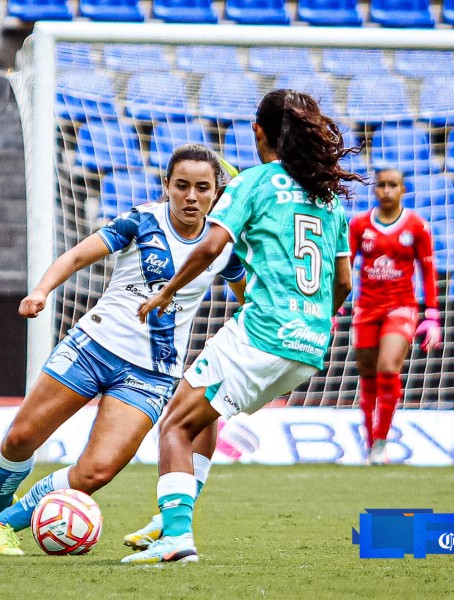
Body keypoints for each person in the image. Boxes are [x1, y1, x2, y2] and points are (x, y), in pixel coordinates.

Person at [0, 143, 246, 556]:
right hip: (94, 347)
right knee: (20, 438)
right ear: (166, 187)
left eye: (201, 188)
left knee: (96, 471)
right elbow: (75, 257)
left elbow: (248, 297)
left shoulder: (223, 245)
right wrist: (40, 291)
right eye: (181, 186)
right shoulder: (141, 221)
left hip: (151, 373)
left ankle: (2, 523)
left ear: (216, 193)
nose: (191, 197)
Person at [122, 89, 359, 565]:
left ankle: (176, 537)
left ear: (258, 131)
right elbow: (344, 282)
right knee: (201, 417)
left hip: (263, 330)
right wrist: (309, 321)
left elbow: (210, 248)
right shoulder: (328, 197)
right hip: (310, 343)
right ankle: (172, 518)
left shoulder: (255, 181)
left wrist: (166, 292)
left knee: (173, 424)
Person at [348, 168, 441, 466]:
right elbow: (345, 265)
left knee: (388, 367)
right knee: (368, 378)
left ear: (403, 190)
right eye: (381, 185)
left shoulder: (416, 226)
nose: (386, 190)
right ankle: (370, 442)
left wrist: (432, 315)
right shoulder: (360, 224)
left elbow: (427, 270)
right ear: (374, 190)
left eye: (392, 185)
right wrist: (335, 308)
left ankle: (380, 442)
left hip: (401, 307)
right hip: (366, 308)